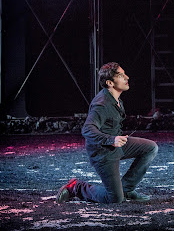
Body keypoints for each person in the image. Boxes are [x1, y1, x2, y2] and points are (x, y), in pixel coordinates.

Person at [56, 62, 158, 204]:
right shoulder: (102, 104)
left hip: (115, 145)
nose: (126, 77)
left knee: (151, 148)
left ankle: (126, 189)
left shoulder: (115, 98)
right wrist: (112, 139)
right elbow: (87, 130)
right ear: (110, 82)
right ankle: (77, 188)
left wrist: (114, 139)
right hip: (102, 152)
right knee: (114, 199)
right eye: (121, 76)